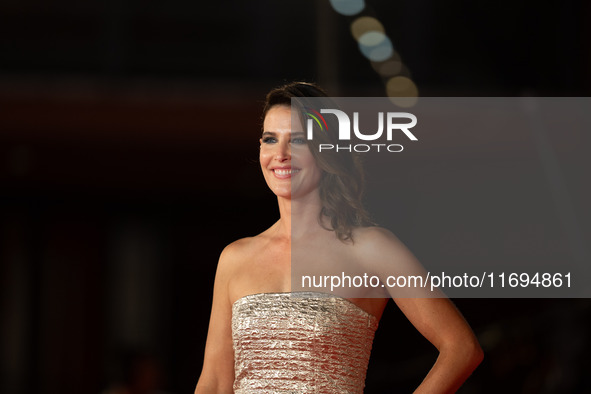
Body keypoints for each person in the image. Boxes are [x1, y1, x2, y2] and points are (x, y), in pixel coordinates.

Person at [194, 82, 483, 393]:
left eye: (299, 140)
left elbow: (462, 348)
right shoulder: (235, 258)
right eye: (270, 139)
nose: (280, 154)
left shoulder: (371, 249)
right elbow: (215, 380)